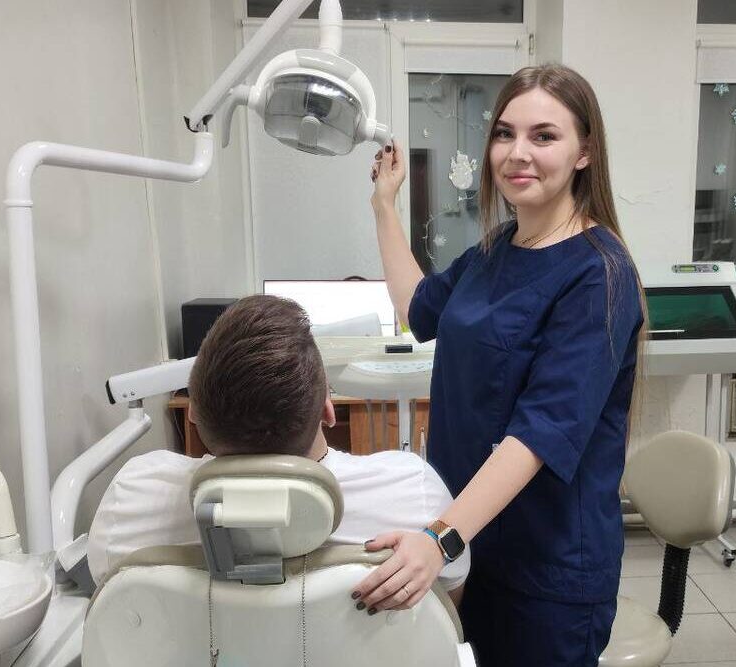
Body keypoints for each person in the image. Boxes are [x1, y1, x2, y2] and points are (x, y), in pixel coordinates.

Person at [353, 64, 645, 666]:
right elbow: (418, 309)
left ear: (585, 152)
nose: (518, 153)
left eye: (544, 136)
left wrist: (439, 537)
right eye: (505, 134)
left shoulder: (599, 274)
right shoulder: (492, 251)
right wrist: (384, 204)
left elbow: (541, 433)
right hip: (469, 543)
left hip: (545, 567)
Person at [87, 295, 469, 602]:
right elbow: (447, 616)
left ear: (194, 416)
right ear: (327, 409)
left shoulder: (132, 497)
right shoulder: (414, 495)